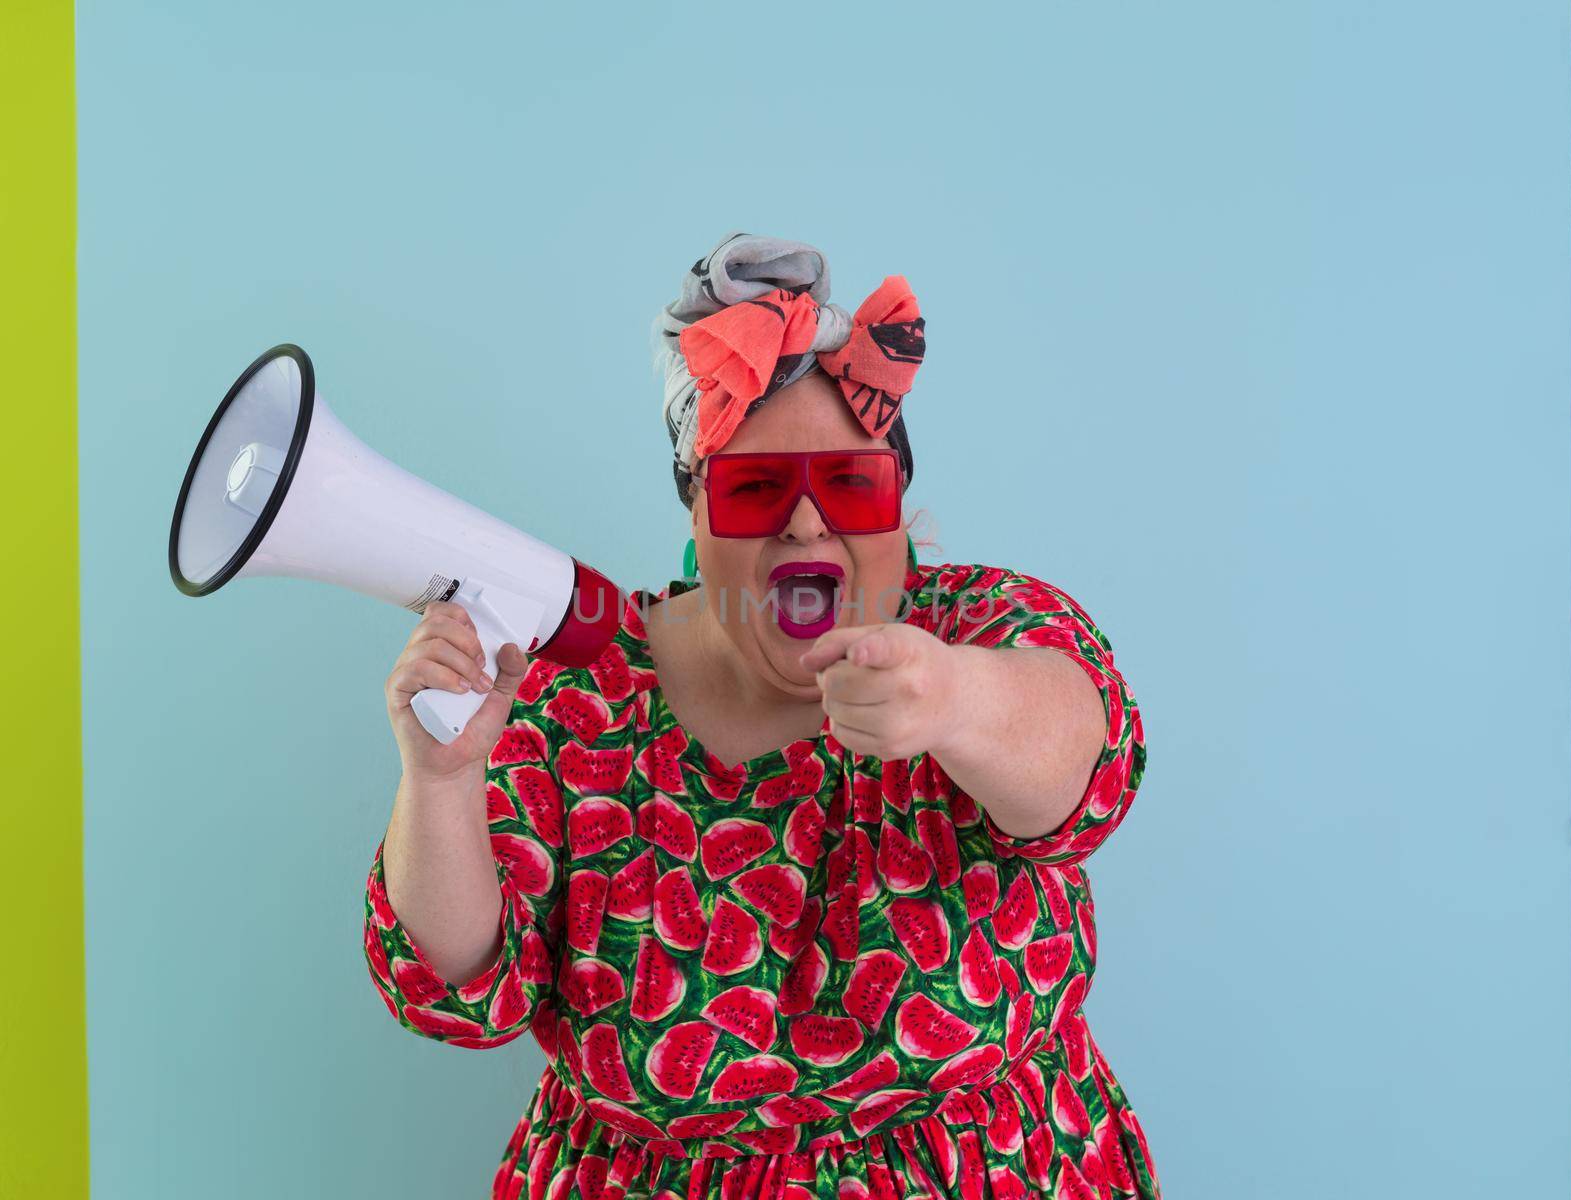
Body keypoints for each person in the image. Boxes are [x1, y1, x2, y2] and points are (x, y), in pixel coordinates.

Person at [363, 232, 1159, 1199]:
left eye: (850, 485)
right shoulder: (573, 683)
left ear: (898, 499)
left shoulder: (981, 627)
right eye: (755, 489)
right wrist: (441, 780)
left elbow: (1091, 767)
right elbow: (459, 993)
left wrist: (955, 699)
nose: (808, 524)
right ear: (694, 504)